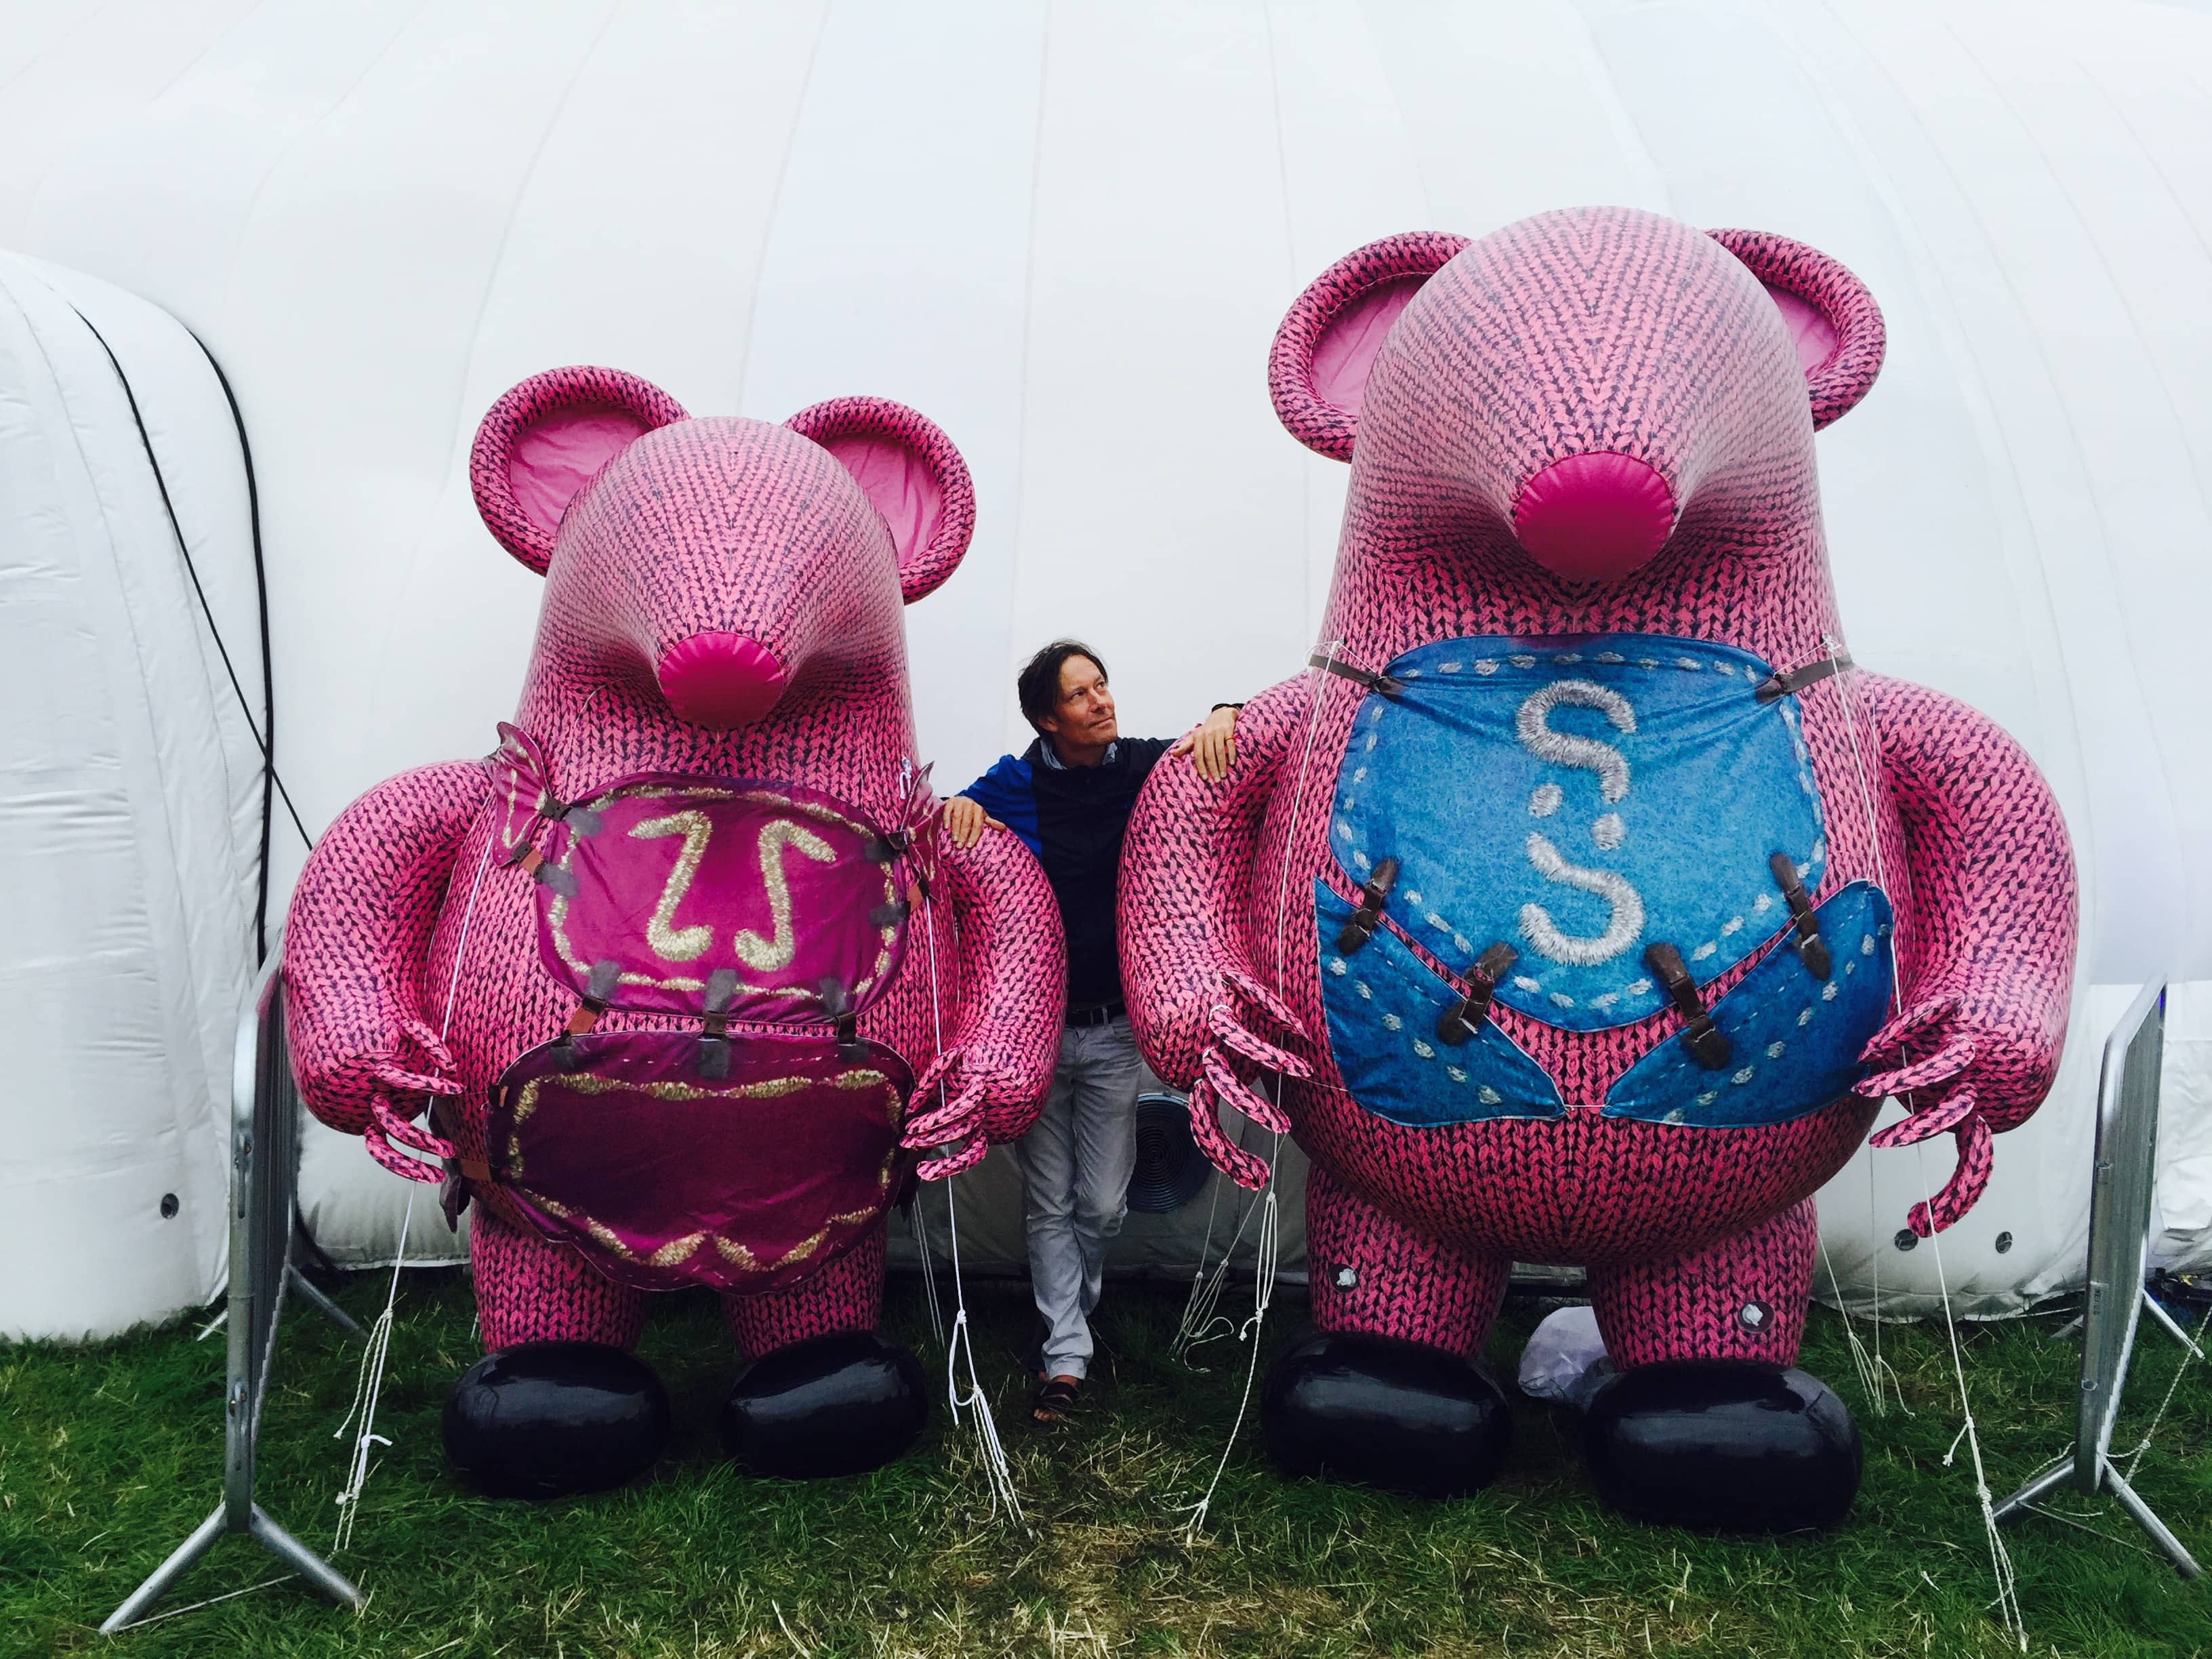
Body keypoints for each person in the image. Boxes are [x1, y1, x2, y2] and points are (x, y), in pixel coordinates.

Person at [943, 640, 1239, 1426]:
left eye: (1102, 686)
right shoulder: (1016, 781)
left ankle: (1072, 1308)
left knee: (1103, 1205)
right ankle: (1065, 1356)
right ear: (1048, 718)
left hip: (1112, 1034)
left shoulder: (1143, 765)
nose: (1102, 702)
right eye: (1080, 695)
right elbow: (945, 822)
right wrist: (958, 808)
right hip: (1037, 1036)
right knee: (1050, 1202)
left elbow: (1225, 745)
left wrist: (1225, 711)